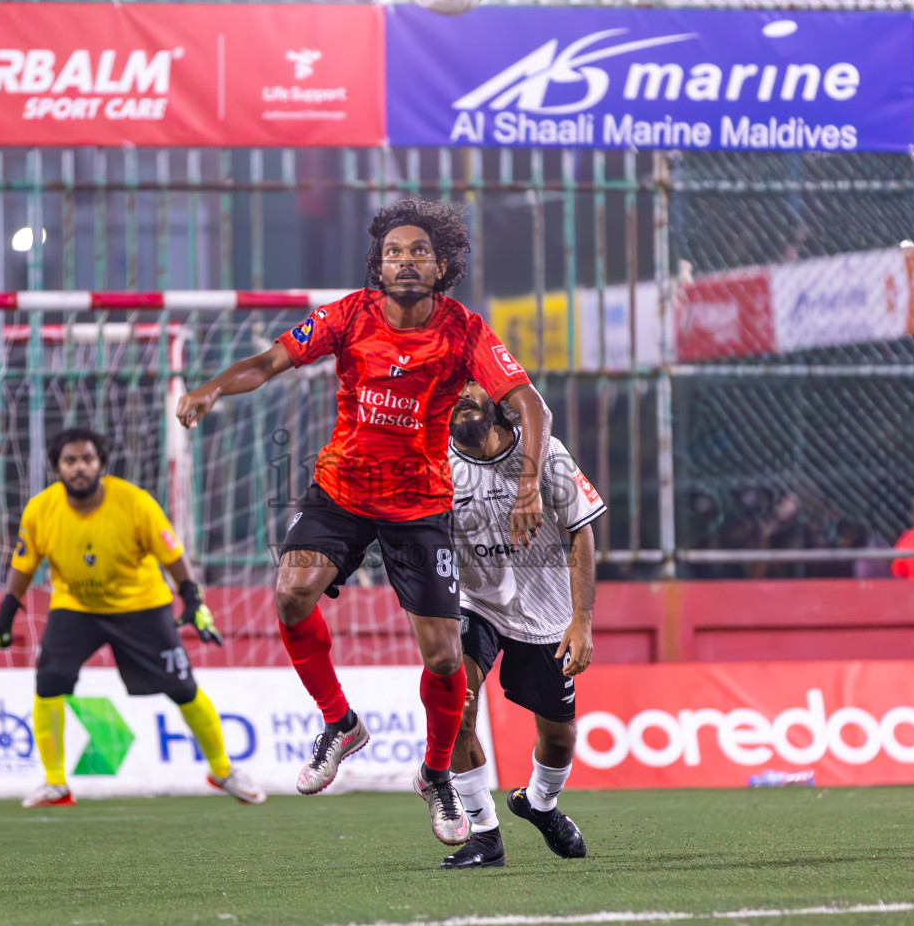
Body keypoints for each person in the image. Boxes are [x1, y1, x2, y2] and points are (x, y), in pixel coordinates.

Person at [176, 197, 551, 848]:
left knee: (440, 655)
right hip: (342, 489)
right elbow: (269, 362)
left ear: (444, 266)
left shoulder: (465, 331)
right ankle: (339, 722)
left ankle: (436, 774)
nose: (405, 260)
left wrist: (527, 485)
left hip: (419, 505)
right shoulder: (348, 315)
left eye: (420, 252)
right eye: (394, 252)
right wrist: (211, 388)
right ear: (378, 263)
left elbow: (527, 403)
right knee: (291, 594)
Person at [0, 426, 265, 808]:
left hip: (142, 607)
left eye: (87, 459)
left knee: (183, 688)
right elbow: (23, 563)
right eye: (70, 461)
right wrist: (5, 613)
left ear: (100, 463)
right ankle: (55, 784)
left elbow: (174, 558)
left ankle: (222, 770)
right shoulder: (40, 510)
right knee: (49, 681)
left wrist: (191, 599)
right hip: (76, 607)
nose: (79, 467)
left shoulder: (134, 502)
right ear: (57, 468)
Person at [439, 381, 604, 870]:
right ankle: (485, 834)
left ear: (492, 396)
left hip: (546, 611)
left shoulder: (545, 453)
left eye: (467, 387)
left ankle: (540, 803)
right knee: (457, 711)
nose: (459, 398)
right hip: (475, 602)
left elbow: (581, 534)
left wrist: (582, 619)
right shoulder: (434, 464)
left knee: (559, 737)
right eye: (447, 393)